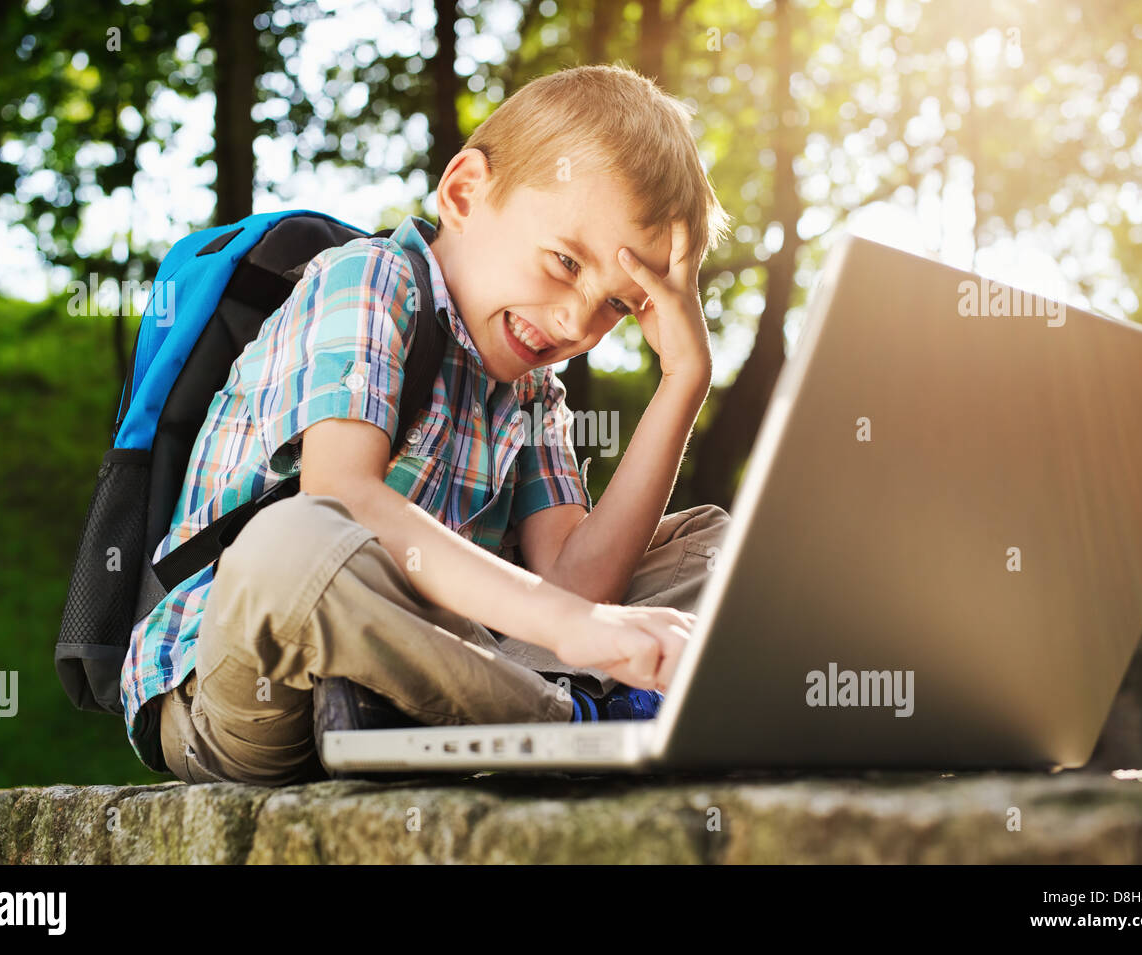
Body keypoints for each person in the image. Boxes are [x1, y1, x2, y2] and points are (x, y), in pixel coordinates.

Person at [128, 62, 734, 785]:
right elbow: (345, 497)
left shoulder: (533, 391)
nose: (577, 320)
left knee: (714, 545)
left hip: (429, 662)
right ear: (464, 192)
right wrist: (578, 630)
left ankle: (460, 712)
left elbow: (577, 587)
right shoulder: (370, 278)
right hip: (254, 680)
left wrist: (682, 382)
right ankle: (573, 724)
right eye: (566, 262)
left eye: (618, 305)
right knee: (296, 541)